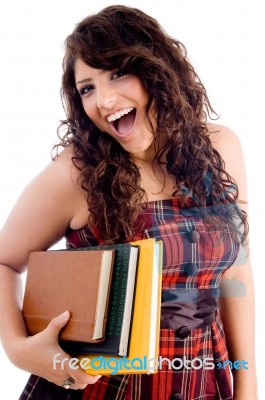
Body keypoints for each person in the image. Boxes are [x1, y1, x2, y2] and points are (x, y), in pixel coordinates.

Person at [0, 4, 258, 400]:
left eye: (118, 73)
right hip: (102, 387)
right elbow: (4, 261)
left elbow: (236, 274)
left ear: (157, 68)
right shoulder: (77, 172)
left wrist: (248, 383)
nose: (103, 101)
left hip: (202, 380)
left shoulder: (221, 147)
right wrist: (20, 351)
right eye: (87, 88)